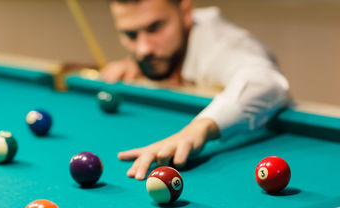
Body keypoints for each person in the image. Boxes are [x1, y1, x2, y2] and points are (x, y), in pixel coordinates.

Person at [101, 0, 289, 180]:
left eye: (155, 28)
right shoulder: (157, 49)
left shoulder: (222, 44)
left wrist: (198, 129)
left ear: (186, 12)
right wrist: (137, 67)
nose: (143, 50)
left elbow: (265, 82)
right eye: (130, 34)